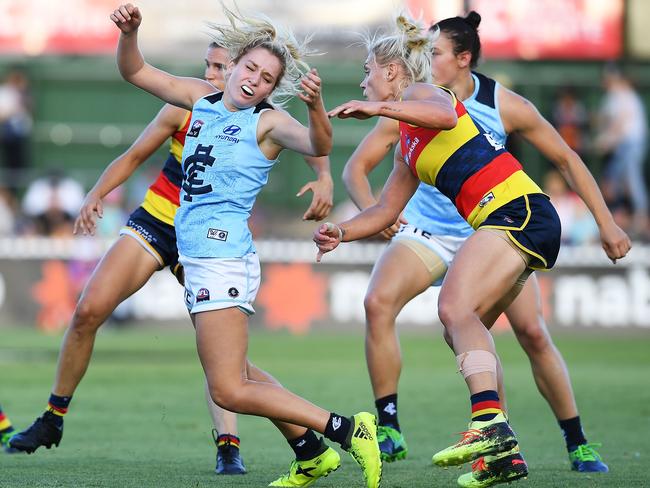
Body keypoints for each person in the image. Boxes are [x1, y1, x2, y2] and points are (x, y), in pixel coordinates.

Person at [316, 12, 630, 488]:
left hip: (518, 212)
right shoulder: (407, 145)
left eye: (368, 70)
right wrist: (341, 231)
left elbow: (444, 115)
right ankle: (505, 455)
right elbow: (384, 211)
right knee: (464, 328)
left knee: (457, 309)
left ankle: (491, 427)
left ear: (395, 72)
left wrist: (378, 110)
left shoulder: (428, 94)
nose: (362, 81)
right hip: (515, 220)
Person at [9, 40, 332, 477]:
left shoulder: (257, 116)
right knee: (87, 310)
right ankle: (53, 417)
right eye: (212, 65)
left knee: (227, 365)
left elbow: (309, 143)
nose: (215, 74)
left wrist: (326, 178)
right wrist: (97, 193)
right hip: (160, 221)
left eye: (221, 66)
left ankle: (234, 446)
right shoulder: (188, 102)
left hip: (209, 243)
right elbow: (136, 148)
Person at [108, 4, 382, 488]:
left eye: (267, 77)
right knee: (240, 373)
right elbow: (134, 70)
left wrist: (317, 107)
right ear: (231, 65)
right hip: (201, 258)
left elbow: (319, 146)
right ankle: (310, 453)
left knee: (230, 389)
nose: (255, 79)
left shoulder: (268, 123)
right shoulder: (200, 98)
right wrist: (131, 34)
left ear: (274, 90)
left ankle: (344, 428)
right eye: (250, 67)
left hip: (221, 258)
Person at [595, 64, 649, 239]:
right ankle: (625, 218)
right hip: (625, 144)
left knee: (629, 180)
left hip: (630, 143)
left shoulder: (622, 94)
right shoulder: (616, 95)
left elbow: (620, 124)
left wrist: (606, 140)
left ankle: (640, 218)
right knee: (617, 181)